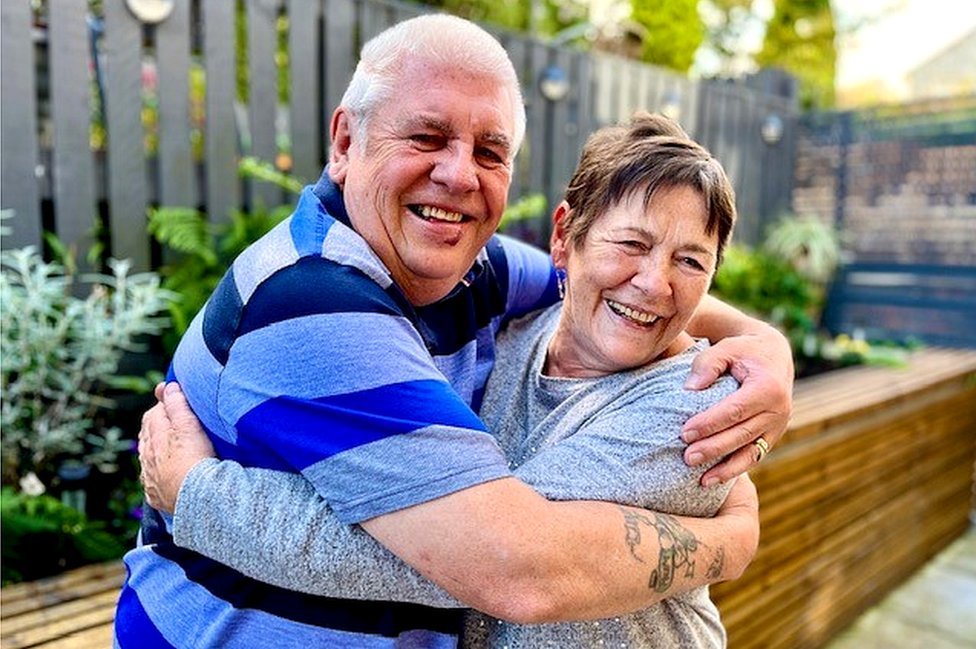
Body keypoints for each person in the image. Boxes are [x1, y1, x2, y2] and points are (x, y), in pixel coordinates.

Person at [121, 14, 791, 648]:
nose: (459, 174)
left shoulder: (473, 270)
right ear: (346, 141)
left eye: (490, 150)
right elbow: (504, 564)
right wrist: (726, 542)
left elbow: (610, 284)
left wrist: (764, 344)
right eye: (427, 137)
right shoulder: (313, 302)